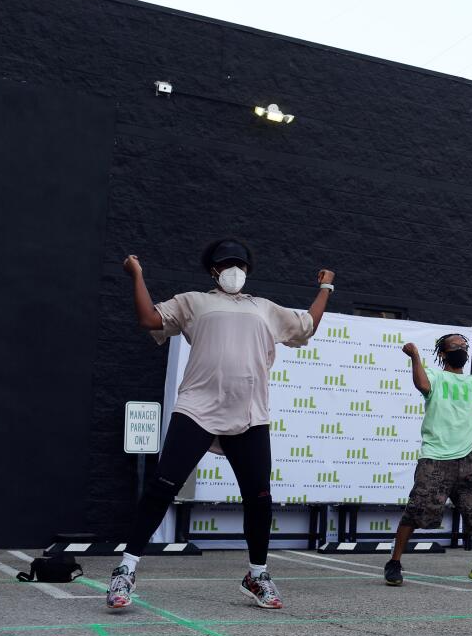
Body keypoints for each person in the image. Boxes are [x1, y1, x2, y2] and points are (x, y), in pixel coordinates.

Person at [107, 240, 334, 610]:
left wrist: (325, 288)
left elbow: (306, 327)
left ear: (247, 270)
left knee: (259, 498)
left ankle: (257, 575)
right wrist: (138, 275)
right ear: (213, 270)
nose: (234, 270)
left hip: (249, 414)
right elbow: (149, 319)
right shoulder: (193, 301)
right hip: (197, 409)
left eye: (240, 265)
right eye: (226, 264)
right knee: (161, 487)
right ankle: (125, 569)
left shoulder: (264, 308)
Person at [385, 334, 472, 587]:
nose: (462, 349)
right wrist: (415, 358)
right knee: (416, 511)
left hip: (467, 459)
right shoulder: (435, 375)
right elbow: (422, 385)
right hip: (435, 458)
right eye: (456, 346)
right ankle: (394, 563)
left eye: (464, 346)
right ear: (443, 354)